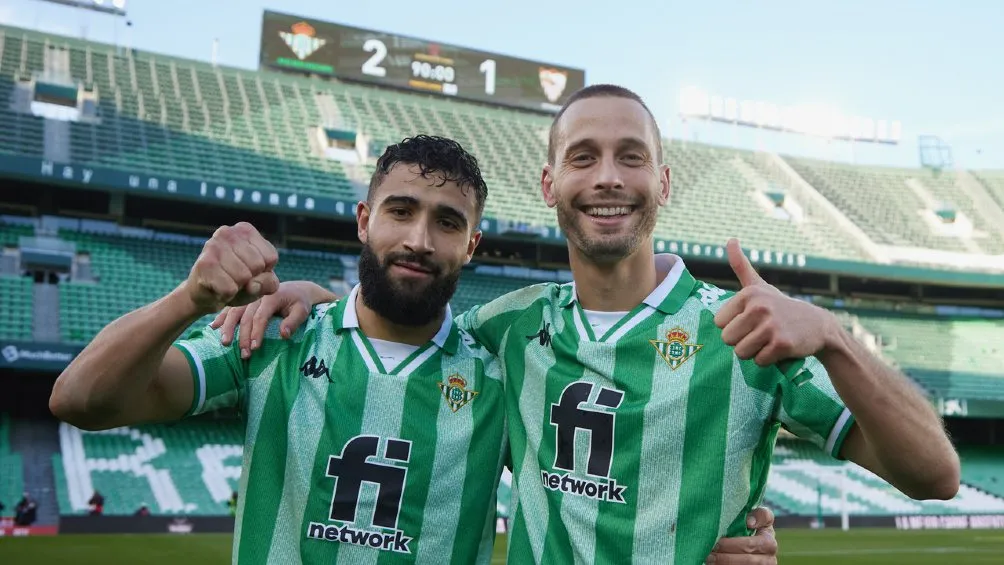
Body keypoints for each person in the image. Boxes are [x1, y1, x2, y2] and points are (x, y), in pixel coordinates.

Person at [220, 85, 961, 564]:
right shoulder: (506, 330)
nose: (607, 176)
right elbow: (398, 319)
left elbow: (934, 474)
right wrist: (320, 297)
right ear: (551, 184)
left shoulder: (747, 331)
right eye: (584, 157)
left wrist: (832, 335)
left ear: (662, 183)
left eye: (630, 157)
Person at [50, 135, 507, 563]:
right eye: (401, 211)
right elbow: (79, 400)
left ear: (471, 245)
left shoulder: (504, 378)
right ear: (365, 221)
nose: (419, 241)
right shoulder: (270, 336)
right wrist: (188, 299)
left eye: (447, 223)